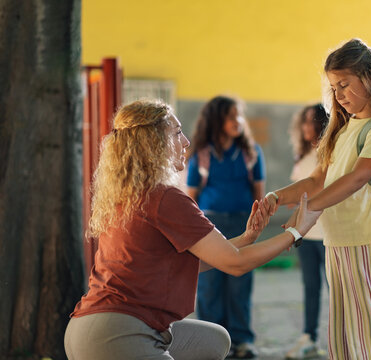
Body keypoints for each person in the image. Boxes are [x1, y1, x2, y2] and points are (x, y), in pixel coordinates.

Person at [64, 99, 321, 360]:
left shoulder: (127, 197)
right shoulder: (165, 198)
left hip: (86, 328)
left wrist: (247, 237)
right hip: (117, 333)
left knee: (214, 340)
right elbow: (236, 264)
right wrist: (296, 232)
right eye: (176, 133)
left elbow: (189, 264)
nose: (185, 141)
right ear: (152, 143)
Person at [265, 38, 371, 359]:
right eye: (333, 87)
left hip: (368, 240)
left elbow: (359, 177)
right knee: (344, 337)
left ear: (370, 78)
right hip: (338, 242)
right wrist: (274, 198)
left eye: (344, 84)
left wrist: (310, 209)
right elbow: (314, 180)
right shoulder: (345, 127)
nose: (338, 95)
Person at [186, 95, 265, 359]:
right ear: (217, 120)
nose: (238, 121)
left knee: (240, 284)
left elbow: (259, 193)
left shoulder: (251, 153)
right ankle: (212, 342)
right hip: (209, 225)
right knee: (209, 285)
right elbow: (191, 196)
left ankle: (241, 340)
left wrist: (255, 225)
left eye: (239, 115)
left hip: (242, 223)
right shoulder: (202, 154)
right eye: (231, 116)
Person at [285, 104, 329, 360]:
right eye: (303, 122)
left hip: (328, 236)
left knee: (336, 290)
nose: (305, 127)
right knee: (310, 288)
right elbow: (298, 194)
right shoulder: (301, 156)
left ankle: (342, 338)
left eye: (310, 121)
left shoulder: (329, 154)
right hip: (306, 236)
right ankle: (309, 337)